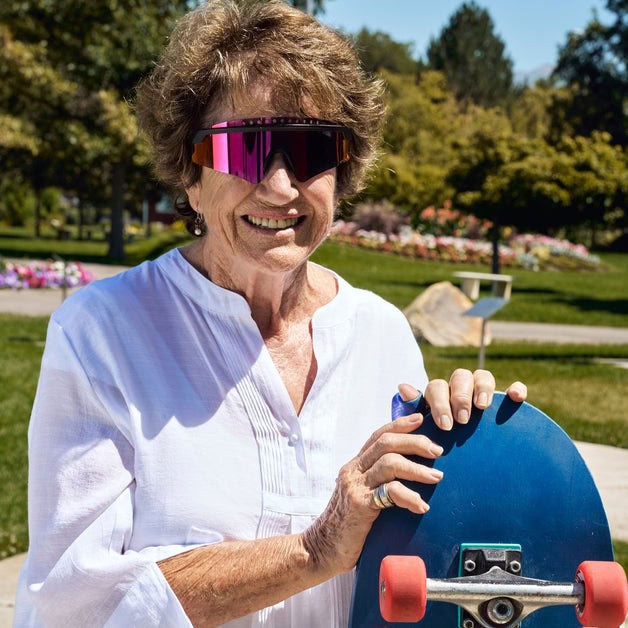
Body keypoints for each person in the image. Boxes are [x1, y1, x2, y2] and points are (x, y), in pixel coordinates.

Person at [14, 1, 526, 626]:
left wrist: (478, 450)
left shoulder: (382, 332)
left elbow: (420, 565)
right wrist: (314, 550)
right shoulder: (103, 332)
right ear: (191, 177)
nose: (281, 186)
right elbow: (72, 602)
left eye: (311, 151)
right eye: (245, 149)